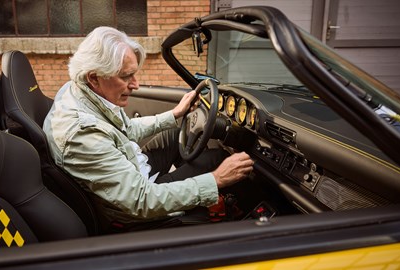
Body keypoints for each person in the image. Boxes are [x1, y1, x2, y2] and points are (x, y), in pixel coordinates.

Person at [43, 26, 254, 232]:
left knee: (176, 131)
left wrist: (174, 115)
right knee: (215, 159)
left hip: (131, 168)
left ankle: (194, 194)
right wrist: (216, 179)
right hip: (136, 212)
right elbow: (142, 201)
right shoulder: (83, 133)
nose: (135, 85)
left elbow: (126, 129)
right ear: (94, 77)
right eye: (126, 76)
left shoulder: (78, 91)